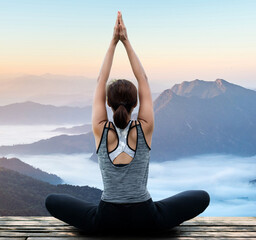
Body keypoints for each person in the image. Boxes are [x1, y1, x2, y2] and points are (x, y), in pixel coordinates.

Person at [44, 11, 210, 233]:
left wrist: (113, 43)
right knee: (202, 197)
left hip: (106, 219)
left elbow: (100, 80)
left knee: (52, 200)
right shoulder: (145, 128)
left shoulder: (100, 129)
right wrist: (126, 41)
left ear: (108, 104)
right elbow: (143, 78)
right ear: (135, 105)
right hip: (147, 218)